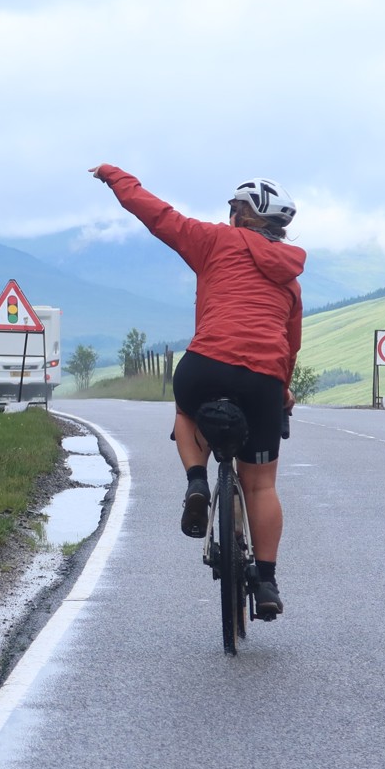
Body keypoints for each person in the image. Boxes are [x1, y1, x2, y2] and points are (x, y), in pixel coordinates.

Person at [89, 165, 305, 618]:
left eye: (233, 208)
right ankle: (266, 582)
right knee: (262, 484)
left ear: (243, 215)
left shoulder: (213, 241)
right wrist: (281, 390)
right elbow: (290, 344)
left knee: (186, 412)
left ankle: (196, 482)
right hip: (263, 378)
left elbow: (158, 216)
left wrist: (115, 177)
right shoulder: (289, 279)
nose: (229, 215)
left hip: (205, 364)